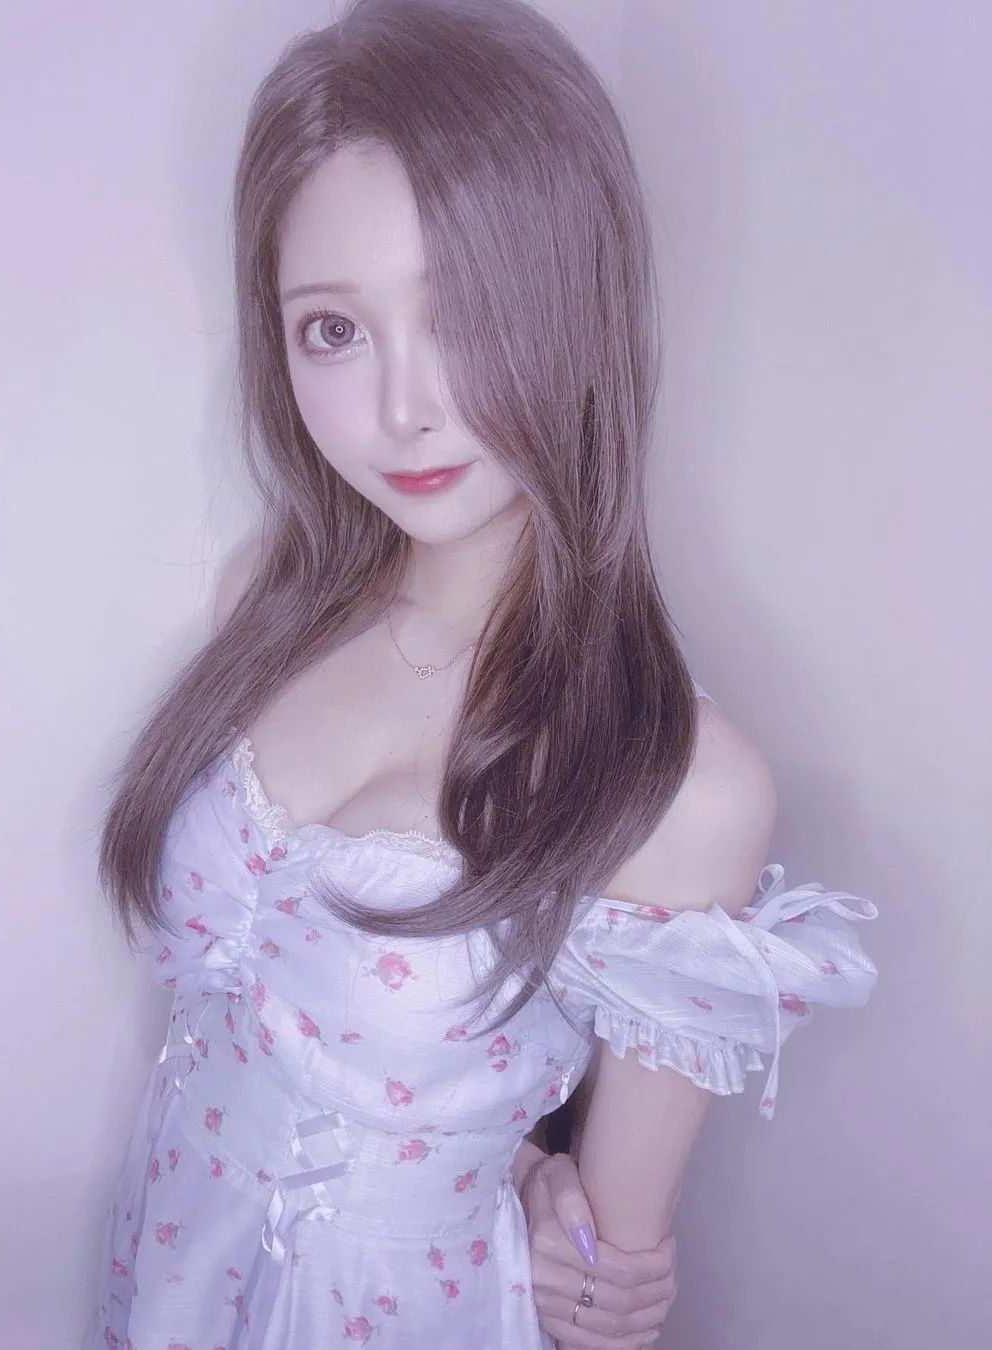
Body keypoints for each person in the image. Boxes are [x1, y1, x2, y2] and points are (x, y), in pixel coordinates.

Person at [84, 1, 880, 1346]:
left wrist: (534, 1208)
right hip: (171, 1256)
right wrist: (507, 1157)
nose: (406, 408)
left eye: (467, 309)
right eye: (333, 330)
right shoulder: (266, 599)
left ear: (580, 299)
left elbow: (602, 1293)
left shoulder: (674, 782)